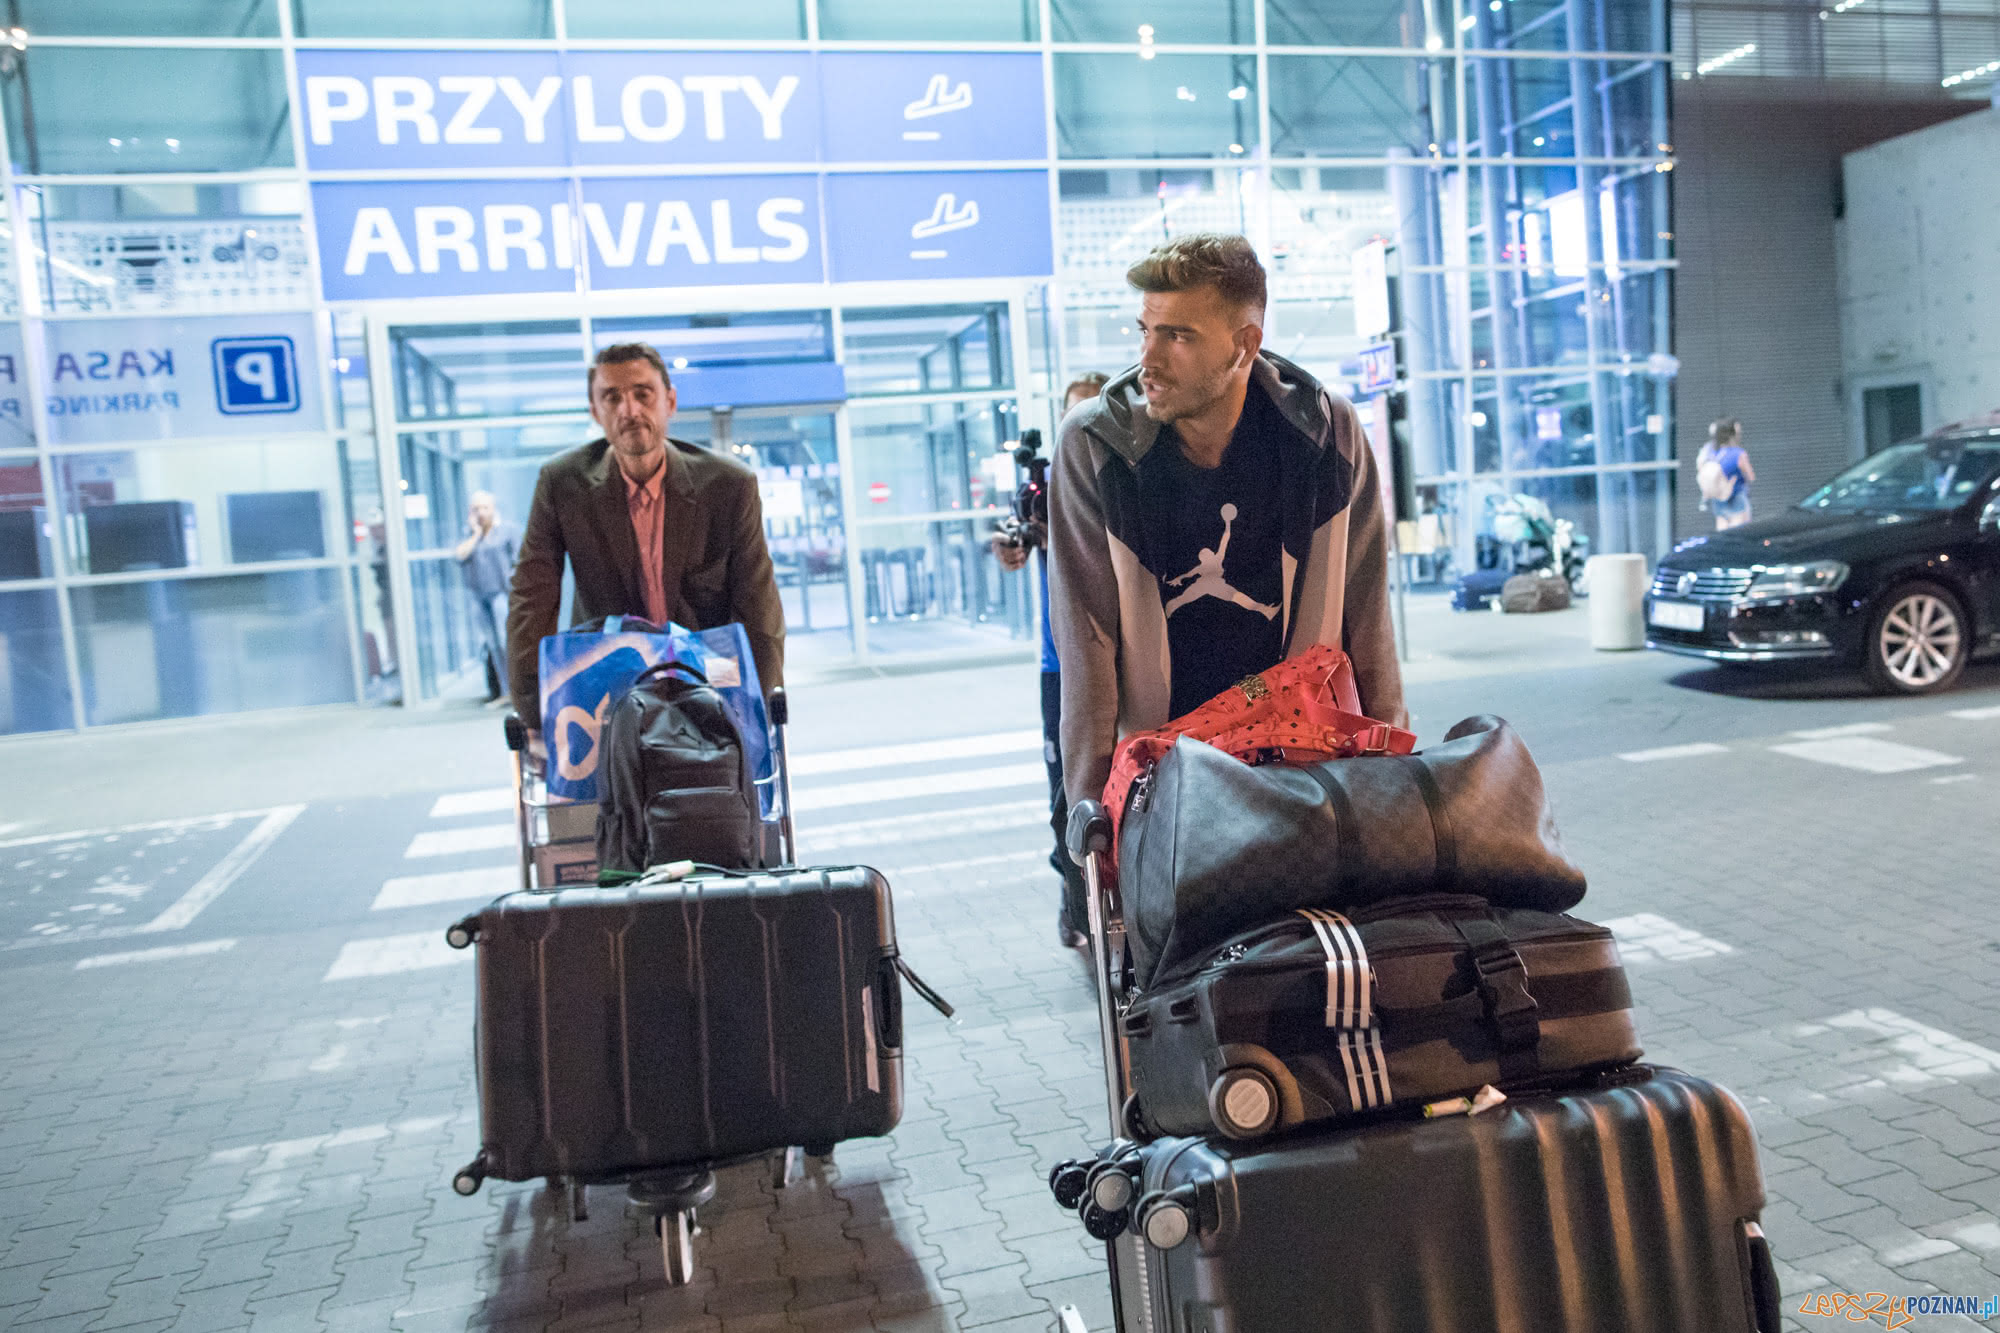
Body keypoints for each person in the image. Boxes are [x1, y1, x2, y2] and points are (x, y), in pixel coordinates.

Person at [1048, 233, 1406, 814]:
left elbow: (1367, 620)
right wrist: (1089, 813)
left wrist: (1392, 782)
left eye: (1178, 336)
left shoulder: (1326, 433)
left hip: (1302, 772)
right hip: (1167, 784)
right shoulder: (1097, 446)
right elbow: (1086, 645)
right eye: (1146, 330)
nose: (1148, 359)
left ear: (1245, 346)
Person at [506, 343, 786, 737]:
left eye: (643, 393)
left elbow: (759, 609)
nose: (630, 410)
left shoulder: (728, 485)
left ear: (669, 401)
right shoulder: (561, 484)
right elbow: (530, 599)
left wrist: (757, 710)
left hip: (707, 686)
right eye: (612, 397)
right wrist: (537, 716)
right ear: (594, 411)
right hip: (609, 695)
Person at [992, 372, 1108, 950]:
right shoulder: (1043, 490)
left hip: (1114, 659)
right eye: (1071, 416)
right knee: (1066, 789)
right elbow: (1015, 537)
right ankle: (1076, 907)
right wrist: (1016, 543)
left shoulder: (1118, 480)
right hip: (1058, 664)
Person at [454, 491, 519, 703]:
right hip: (479, 596)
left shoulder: (507, 531)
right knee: (493, 644)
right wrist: (475, 534)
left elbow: (519, 560)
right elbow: (459, 556)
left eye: (484, 508)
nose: (481, 513)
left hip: (501, 594)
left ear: (493, 508)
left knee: (505, 640)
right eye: (476, 509)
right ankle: (504, 691)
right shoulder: (469, 534)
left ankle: (518, 691)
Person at [1698, 418, 1756, 530]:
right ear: (1732, 434)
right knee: (1739, 530)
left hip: (1717, 497)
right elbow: (1751, 477)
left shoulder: (1710, 451)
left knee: (1722, 528)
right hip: (1736, 497)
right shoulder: (1738, 453)